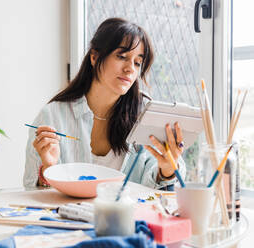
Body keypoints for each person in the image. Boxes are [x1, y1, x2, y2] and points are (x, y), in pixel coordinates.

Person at [23, 18, 185, 189]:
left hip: (129, 215)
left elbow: (160, 189)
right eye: (122, 56)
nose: (130, 68)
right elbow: (30, 191)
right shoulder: (52, 117)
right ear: (94, 57)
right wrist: (49, 170)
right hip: (69, 215)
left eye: (137, 62)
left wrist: (166, 170)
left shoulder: (145, 115)